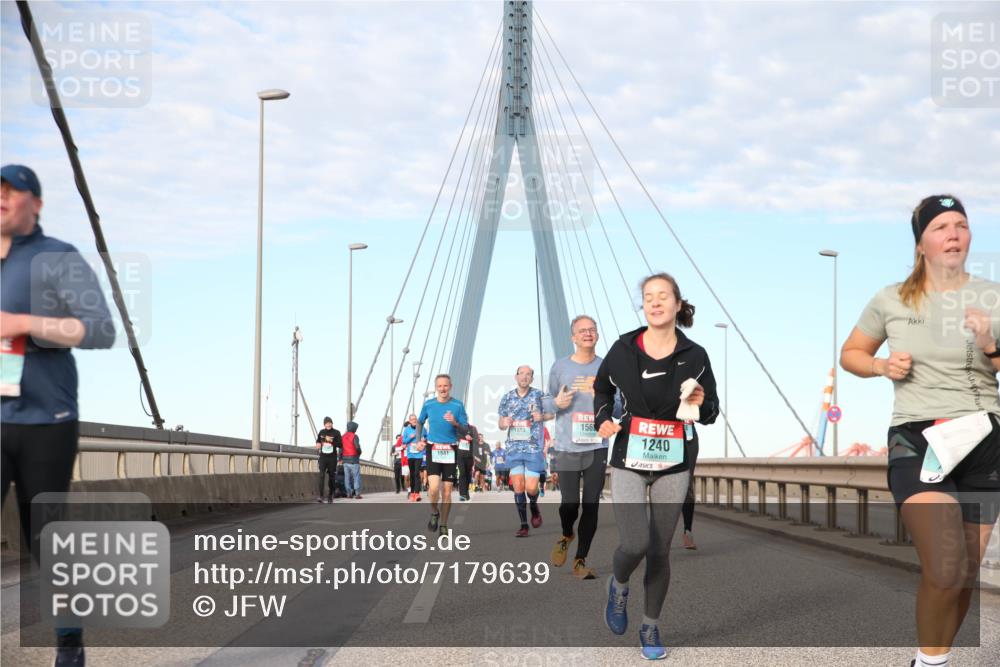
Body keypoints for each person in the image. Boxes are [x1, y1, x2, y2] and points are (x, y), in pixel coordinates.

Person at [841, 195, 1000, 667]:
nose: (953, 234)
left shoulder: (992, 296)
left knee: (965, 574)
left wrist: (991, 345)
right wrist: (881, 364)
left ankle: (935, 659)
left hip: (985, 441)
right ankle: (927, 663)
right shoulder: (892, 298)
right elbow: (850, 353)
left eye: (961, 225)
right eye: (941, 227)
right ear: (921, 244)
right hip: (919, 439)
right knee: (946, 566)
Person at [1, 164, 117, 667]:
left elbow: (100, 329)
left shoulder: (58, 258)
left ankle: (69, 642)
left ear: (37, 204)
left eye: (12, 191)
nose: (1, 198)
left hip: (47, 418)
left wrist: (25, 324)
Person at [595, 272, 718, 660]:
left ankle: (650, 626)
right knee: (635, 542)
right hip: (630, 455)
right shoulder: (622, 348)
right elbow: (602, 388)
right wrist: (602, 417)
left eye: (663, 296)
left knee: (660, 550)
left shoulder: (695, 355)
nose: (655, 302)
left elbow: (711, 410)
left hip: (674, 460)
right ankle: (618, 585)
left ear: (678, 305)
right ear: (643, 305)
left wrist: (699, 401)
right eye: (649, 297)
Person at [545, 314, 619, 580]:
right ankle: (567, 534)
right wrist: (557, 404)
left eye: (592, 329)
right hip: (566, 446)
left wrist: (598, 396)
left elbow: (621, 406)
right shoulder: (560, 367)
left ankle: (580, 559)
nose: (588, 333)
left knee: (591, 505)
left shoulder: (608, 367)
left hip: (597, 446)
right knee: (569, 504)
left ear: (597, 335)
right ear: (573, 337)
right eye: (582, 330)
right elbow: (545, 401)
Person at [497, 365, 552, 537]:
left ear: (532, 379)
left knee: (531, 488)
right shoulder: (507, 397)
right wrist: (504, 422)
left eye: (528, 374)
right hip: (514, 448)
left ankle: (534, 507)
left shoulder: (540, 395)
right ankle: (523, 525)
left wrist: (542, 417)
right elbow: (500, 423)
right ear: (516, 377)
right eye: (522, 374)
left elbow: (552, 414)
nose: (525, 377)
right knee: (519, 487)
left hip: (533, 448)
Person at [416, 374, 469, 536]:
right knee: (433, 489)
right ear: (436, 387)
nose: (443, 389)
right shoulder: (429, 404)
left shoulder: (457, 405)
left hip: (450, 450)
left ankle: (444, 524)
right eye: (439, 386)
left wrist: (455, 423)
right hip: (433, 449)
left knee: (446, 491)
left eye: (445, 386)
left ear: (450, 386)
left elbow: (465, 429)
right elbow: (419, 422)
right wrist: (419, 440)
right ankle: (434, 512)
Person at [315, 417, 342, 503]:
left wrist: (332, 442)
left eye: (330, 423)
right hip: (323, 457)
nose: (328, 424)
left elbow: (340, 444)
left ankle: (330, 495)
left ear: (332, 423)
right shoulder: (321, 432)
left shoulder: (336, 432)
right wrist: (318, 444)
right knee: (321, 475)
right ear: (324, 424)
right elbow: (318, 441)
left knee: (331, 477)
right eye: (327, 423)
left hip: (332, 457)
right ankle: (321, 496)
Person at [456, 422, 479, 501]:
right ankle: (462, 494)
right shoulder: (457, 428)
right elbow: (453, 437)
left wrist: (471, 439)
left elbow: (477, 440)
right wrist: (461, 438)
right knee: (462, 473)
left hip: (469, 455)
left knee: (467, 474)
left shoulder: (473, 428)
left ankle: (466, 492)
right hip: (460, 455)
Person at [402, 413, 423, 501]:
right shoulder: (407, 430)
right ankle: (412, 493)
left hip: (419, 454)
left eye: (415, 419)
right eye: (412, 419)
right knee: (412, 474)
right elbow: (404, 441)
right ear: (410, 421)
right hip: (411, 455)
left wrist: (424, 440)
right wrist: (411, 437)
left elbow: (426, 436)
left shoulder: (421, 428)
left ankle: (417, 493)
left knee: (417, 473)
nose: (414, 421)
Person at [341, 421, 363, 499]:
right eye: (356, 428)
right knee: (356, 476)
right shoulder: (354, 436)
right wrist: (359, 453)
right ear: (354, 428)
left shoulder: (342, 436)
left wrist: (340, 458)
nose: (356, 430)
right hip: (354, 459)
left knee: (347, 477)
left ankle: (349, 493)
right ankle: (357, 494)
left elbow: (340, 449)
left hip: (345, 460)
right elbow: (357, 447)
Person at [392, 427, 406, 494]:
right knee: (396, 476)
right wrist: (395, 453)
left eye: (399, 438)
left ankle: (403, 487)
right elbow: (391, 454)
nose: (399, 439)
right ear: (396, 439)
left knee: (402, 475)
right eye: (397, 439)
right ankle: (397, 488)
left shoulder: (404, 446)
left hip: (402, 461)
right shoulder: (394, 446)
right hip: (396, 462)